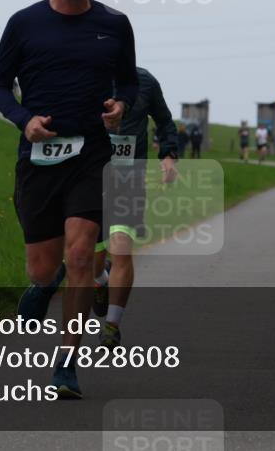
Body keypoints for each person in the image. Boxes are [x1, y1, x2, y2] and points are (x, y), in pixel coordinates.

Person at [0, 0, 138, 399]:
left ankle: (66, 364)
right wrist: (24, 120)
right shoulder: (24, 23)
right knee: (42, 266)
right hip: (39, 157)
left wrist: (120, 105)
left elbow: (128, 82)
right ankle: (43, 283)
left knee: (81, 255)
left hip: (91, 153)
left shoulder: (115, 24)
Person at [94, 66, 178, 349]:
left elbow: (165, 122)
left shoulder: (145, 81)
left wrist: (168, 156)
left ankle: (112, 326)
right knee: (90, 255)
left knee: (120, 246)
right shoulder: (87, 74)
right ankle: (100, 279)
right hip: (89, 176)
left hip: (129, 177)